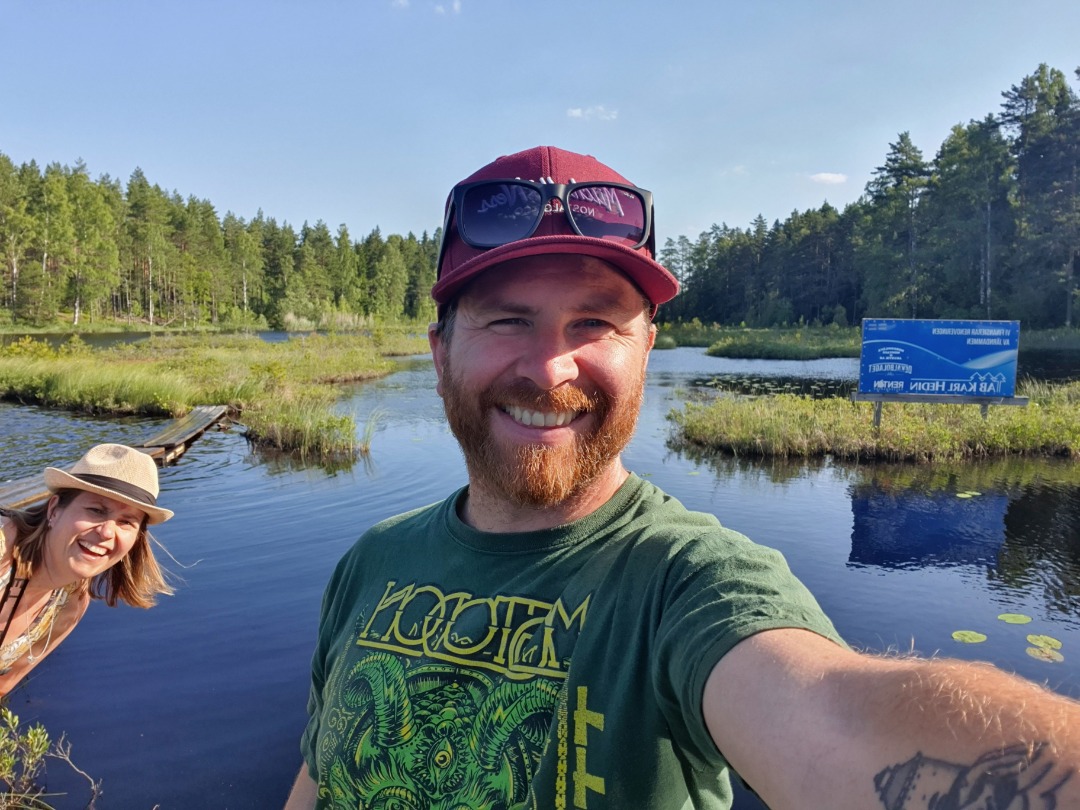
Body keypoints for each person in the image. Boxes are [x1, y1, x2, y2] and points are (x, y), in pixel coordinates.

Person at [285, 146, 1080, 809]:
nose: (551, 368)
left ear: (645, 351)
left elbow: (832, 716)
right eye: (506, 319)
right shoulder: (372, 563)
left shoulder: (688, 585)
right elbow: (318, 779)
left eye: (595, 322)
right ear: (440, 353)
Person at [0, 443, 174, 696]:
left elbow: (3, 686)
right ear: (54, 510)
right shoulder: (3, 545)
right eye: (96, 510)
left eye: (126, 522)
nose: (106, 532)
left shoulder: (70, 602)